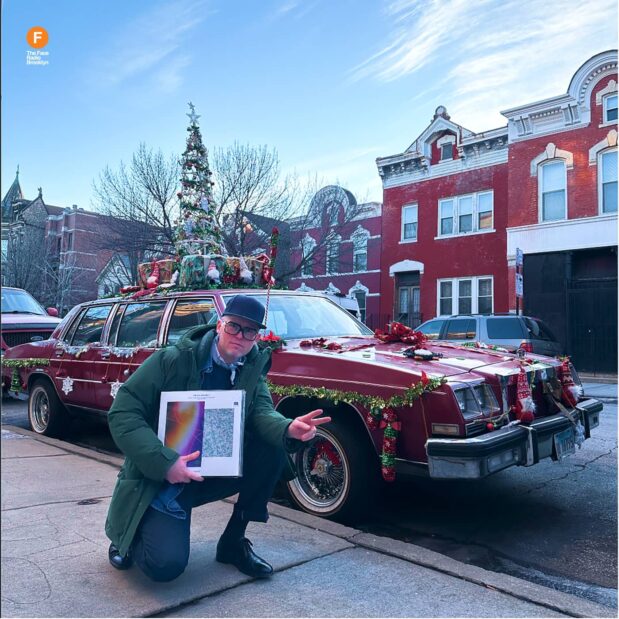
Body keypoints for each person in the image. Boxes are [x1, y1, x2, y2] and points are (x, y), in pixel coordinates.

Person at [105, 294, 330, 582]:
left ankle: (233, 542)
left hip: (215, 467)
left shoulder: (251, 369)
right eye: (235, 326)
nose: (241, 336)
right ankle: (127, 535)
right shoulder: (172, 360)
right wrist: (165, 463)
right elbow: (124, 412)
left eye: (250, 331)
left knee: (271, 449)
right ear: (219, 326)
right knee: (164, 567)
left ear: (257, 337)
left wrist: (287, 428)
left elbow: (261, 412)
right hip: (167, 473)